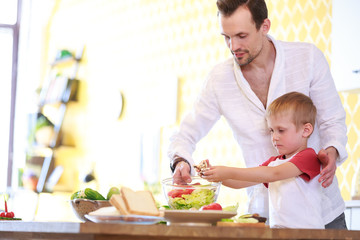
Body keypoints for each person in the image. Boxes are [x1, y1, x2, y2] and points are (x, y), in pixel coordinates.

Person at [168, 0, 348, 229]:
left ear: (264, 26)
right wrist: (184, 162)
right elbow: (185, 134)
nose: (233, 46)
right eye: (226, 37)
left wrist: (332, 150)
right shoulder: (218, 79)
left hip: (323, 217)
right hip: (262, 218)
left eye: (242, 36)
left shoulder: (308, 58)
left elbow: (333, 121)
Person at [201, 92, 336, 229]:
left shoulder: (308, 157)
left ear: (306, 130)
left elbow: (274, 174)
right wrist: (214, 175)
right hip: (280, 231)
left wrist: (227, 171)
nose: (274, 137)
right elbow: (240, 182)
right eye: (272, 130)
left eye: (281, 130)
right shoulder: (274, 162)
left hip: (308, 233)